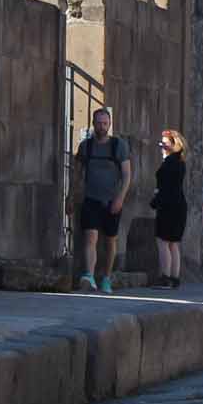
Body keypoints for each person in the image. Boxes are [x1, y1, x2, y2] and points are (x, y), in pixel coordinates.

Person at [73, 107, 134, 293]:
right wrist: (71, 197)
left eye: (105, 123)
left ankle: (106, 277)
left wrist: (120, 199)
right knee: (90, 237)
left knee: (110, 241)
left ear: (109, 124)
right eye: (99, 123)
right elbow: (77, 174)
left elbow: (127, 175)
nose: (102, 126)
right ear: (93, 124)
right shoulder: (86, 146)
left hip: (111, 200)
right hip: (91, 198)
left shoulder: (118, 146)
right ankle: (89, 276)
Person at [151, 129, 190, 289]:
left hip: (169, 205)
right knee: (173, 243)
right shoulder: (179, 161)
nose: (161, 147)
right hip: (178, 204)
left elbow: (167, 188)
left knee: (163, 241)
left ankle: (166, 277)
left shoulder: (170, 163)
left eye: (164, 144)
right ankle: (174, 278)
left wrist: (155, 200)